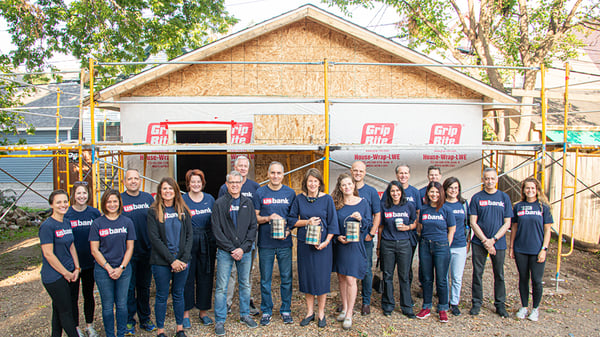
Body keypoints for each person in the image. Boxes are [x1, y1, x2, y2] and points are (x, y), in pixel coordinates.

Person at [288, 168, 339, 328]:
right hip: (305, 245)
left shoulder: (327, 199)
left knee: (322, 279)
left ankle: (321, 313)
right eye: (310, 181)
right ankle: (309, 312)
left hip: (323, 246)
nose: (312, 184)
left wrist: (326, 242)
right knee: (307, 278)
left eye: (315, 181)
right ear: (306, 183)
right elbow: (291, 220)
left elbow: (333, 224)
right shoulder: (299, 199)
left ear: (319, 183)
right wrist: (307, 222)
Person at [212, 171, 259, 336]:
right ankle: (219, 320)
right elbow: (216, 230)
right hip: (226, 252)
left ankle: (245, 315)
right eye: (231, 182)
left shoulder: (248, 202)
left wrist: (243, 247)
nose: (234, 185)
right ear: (226, 184)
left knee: (245, 284)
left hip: (244, 251)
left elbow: (253, 227)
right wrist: (231, 248)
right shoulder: (219, 204)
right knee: (221, 287)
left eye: (237, 182)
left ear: (241, 184)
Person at [147, 177, 193, 337]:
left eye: (171, 189)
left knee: (179, 294)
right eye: (164, 188)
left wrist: (184, 259)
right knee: (161, 295)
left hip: (181, 261)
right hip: (161, 262)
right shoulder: (153, 212)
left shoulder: (183, 210)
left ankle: (179, 328)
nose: (167, 192)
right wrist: (172, 261)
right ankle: (161, 330)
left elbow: (189, 237)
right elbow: (154, 239)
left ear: (175, 191)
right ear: (160, 191)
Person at [253, 162, 296, 326]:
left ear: (283, 175)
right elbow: (255, 217)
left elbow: (293, 217)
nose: (275, 176)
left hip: (285, 242)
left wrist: (289, 230)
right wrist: (268, 218)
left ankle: (286, 310)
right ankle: (266, 310)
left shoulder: (290, 193)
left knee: (286, 278)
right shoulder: (260, 192)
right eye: (273, 173)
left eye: (279, 173)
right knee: (265, 279)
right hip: (265, 243)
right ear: (268, 174)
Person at [89, 189, 136, 337]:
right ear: (104, 203)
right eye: (109, 201)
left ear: (119, 203)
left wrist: (121, 267)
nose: (112, 204)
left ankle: (121, 333)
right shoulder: (97, 223)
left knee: (122, 305)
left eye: (115, 201)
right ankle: (110, 334)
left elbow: (130, 248)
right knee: (108, 306)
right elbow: (94, 250)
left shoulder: (127, 222)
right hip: (103, 270)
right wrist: (109, 268)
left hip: (123, 269)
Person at [218, 156, 260, 316]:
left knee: (247, 272)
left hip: (248, 239)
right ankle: (227, 304)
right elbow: (220, 212)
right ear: (235, 167)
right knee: (230, 273)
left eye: (245, 166)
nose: (243, 168)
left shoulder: (255, 187)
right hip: (229, 239)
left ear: (248, 169)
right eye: (240, 166)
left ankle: (248, 303)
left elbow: (255, 215)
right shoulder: (225, 187)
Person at [469, 168, 513, 317]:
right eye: (487, 178)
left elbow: (507, 223)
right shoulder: (476, 198)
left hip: (498, 242)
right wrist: (485, 241)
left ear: (497, 180)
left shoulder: (504, 198)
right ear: (483, 179)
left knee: (499, 274)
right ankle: (476, 303)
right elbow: (473, 222)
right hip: (479, 242)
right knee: (477, 273)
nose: (489, 181)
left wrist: (493, 240)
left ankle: (500, 304)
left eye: (492, 178)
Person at [331, 173, 372, 330]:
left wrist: (361, 219)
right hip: (341, 245)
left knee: (350, 279)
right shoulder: (337, 204)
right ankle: (345, 306)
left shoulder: (363, 203)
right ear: (340, 188)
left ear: (353, 185)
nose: (347, 187)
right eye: (344, 185)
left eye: (349, 184)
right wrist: (337, 237)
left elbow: (368, 223)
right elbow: (332, 224)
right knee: (341, 278)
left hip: (355, 246)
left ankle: (349, 313)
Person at [510, 177, 553, 322]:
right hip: (521, 248)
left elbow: (548, 230)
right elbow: (514, 228)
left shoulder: (543, 207)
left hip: (537, 250)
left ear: (537, 190)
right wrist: (512, 247)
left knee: (536, 280)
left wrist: (544, 249)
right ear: (523, 190)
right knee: (523, 278)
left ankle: (535, 309)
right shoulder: (518, 206)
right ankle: (524, 306)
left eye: (533, 188)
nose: (530, 191)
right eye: (527, 188)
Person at [39, 189, 81, 337]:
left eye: (65, 201)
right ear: (51, 205)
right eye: (59, 202)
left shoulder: (66, 223)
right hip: (55, 276)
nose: (63, 205)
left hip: (71, 272)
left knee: (58, 311)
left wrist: (77, 267)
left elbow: (71, 246)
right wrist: (66, 273)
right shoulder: (47, 226)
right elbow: (48, 254)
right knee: (66, 312)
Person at [121, 169, 156, 335]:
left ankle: (145, 318)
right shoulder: (120, 200)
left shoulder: (148, 198)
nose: (133, 181)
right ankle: (129, 320)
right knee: (128, 288)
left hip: (146, 251)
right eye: (130, 179)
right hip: (127, 253)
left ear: (140, 180)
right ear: (124, 182)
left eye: (136, 178)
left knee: (144, 287)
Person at [65, 181, 101, 337]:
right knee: (72, 296)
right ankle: (75, 328)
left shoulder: (94, 213)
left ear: (88, 194)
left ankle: (89, 325)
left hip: (90, 262)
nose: (81, 196)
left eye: (84, 193)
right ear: (73, 195)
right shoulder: (67, 215)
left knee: (89, 295)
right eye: (78, 193)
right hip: (72, 264)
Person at [416, 182, 455, 323]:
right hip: (425, 245)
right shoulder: (424, 210)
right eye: (431, 192)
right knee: (426, 278)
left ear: (441, 194)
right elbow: (420, 228)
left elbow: (452, 229)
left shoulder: (447, 210)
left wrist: (446, 245)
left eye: (437, 192)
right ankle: (426, 306)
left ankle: (443, 308)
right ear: (427, 193)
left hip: (441, 246)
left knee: (442, 279)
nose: (434, 195)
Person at [182, 169, 216, 328]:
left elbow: (215, 222)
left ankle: (203, 312)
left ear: (203, 183)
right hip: (188, 242)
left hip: (207, 242)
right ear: (188, 183)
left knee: (205, 277)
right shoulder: (182, 200)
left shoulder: (210, 199)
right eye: (192, 181)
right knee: (186, 277)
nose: (196, 184)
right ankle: (185, 314)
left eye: (198, 181)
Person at [379, 181, 417, 318]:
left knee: (404, 276)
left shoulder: (409, 206)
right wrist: (379, 247)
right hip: (387, 243)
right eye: (392, 191)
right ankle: (388, 305)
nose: (395, 193)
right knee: (388, 275)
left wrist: (408, 228)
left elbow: (415, 222)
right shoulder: (384, 206)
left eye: (397, 191)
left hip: (404, 244)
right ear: (389, 193)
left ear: (402, 192)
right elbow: (381, 227)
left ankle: (407, 307)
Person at [350, 161, 381, 315]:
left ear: (365, 172)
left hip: (365, 238)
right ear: (351, 171)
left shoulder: (371, 192)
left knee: (366, 270)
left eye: (360, 171)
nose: (357, 173)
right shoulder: (345, 188)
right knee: (349, 270)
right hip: (348, 238)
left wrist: (372, 233)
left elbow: (377, 214)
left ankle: (366, 302)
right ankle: (348, 302)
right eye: (355, 170)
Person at [443, 177, 469, 316]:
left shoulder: (463, 204)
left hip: (460, 244)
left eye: (456, 188)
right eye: (451, 188)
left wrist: (467, 242)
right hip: (445, 245)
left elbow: (468, 224)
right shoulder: (442, 205)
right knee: (444, 276)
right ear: (446, 189)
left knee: (457, 277)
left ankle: (455, 302)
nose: (453, 191)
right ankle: (445, 301)